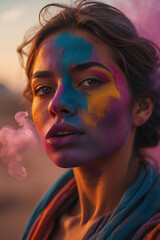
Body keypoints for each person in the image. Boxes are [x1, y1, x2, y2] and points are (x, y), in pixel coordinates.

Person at [17, 0, 160, 239]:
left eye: (89, 81)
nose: (56, 104)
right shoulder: (48, 220)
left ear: (141, 107)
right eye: (43, 89)